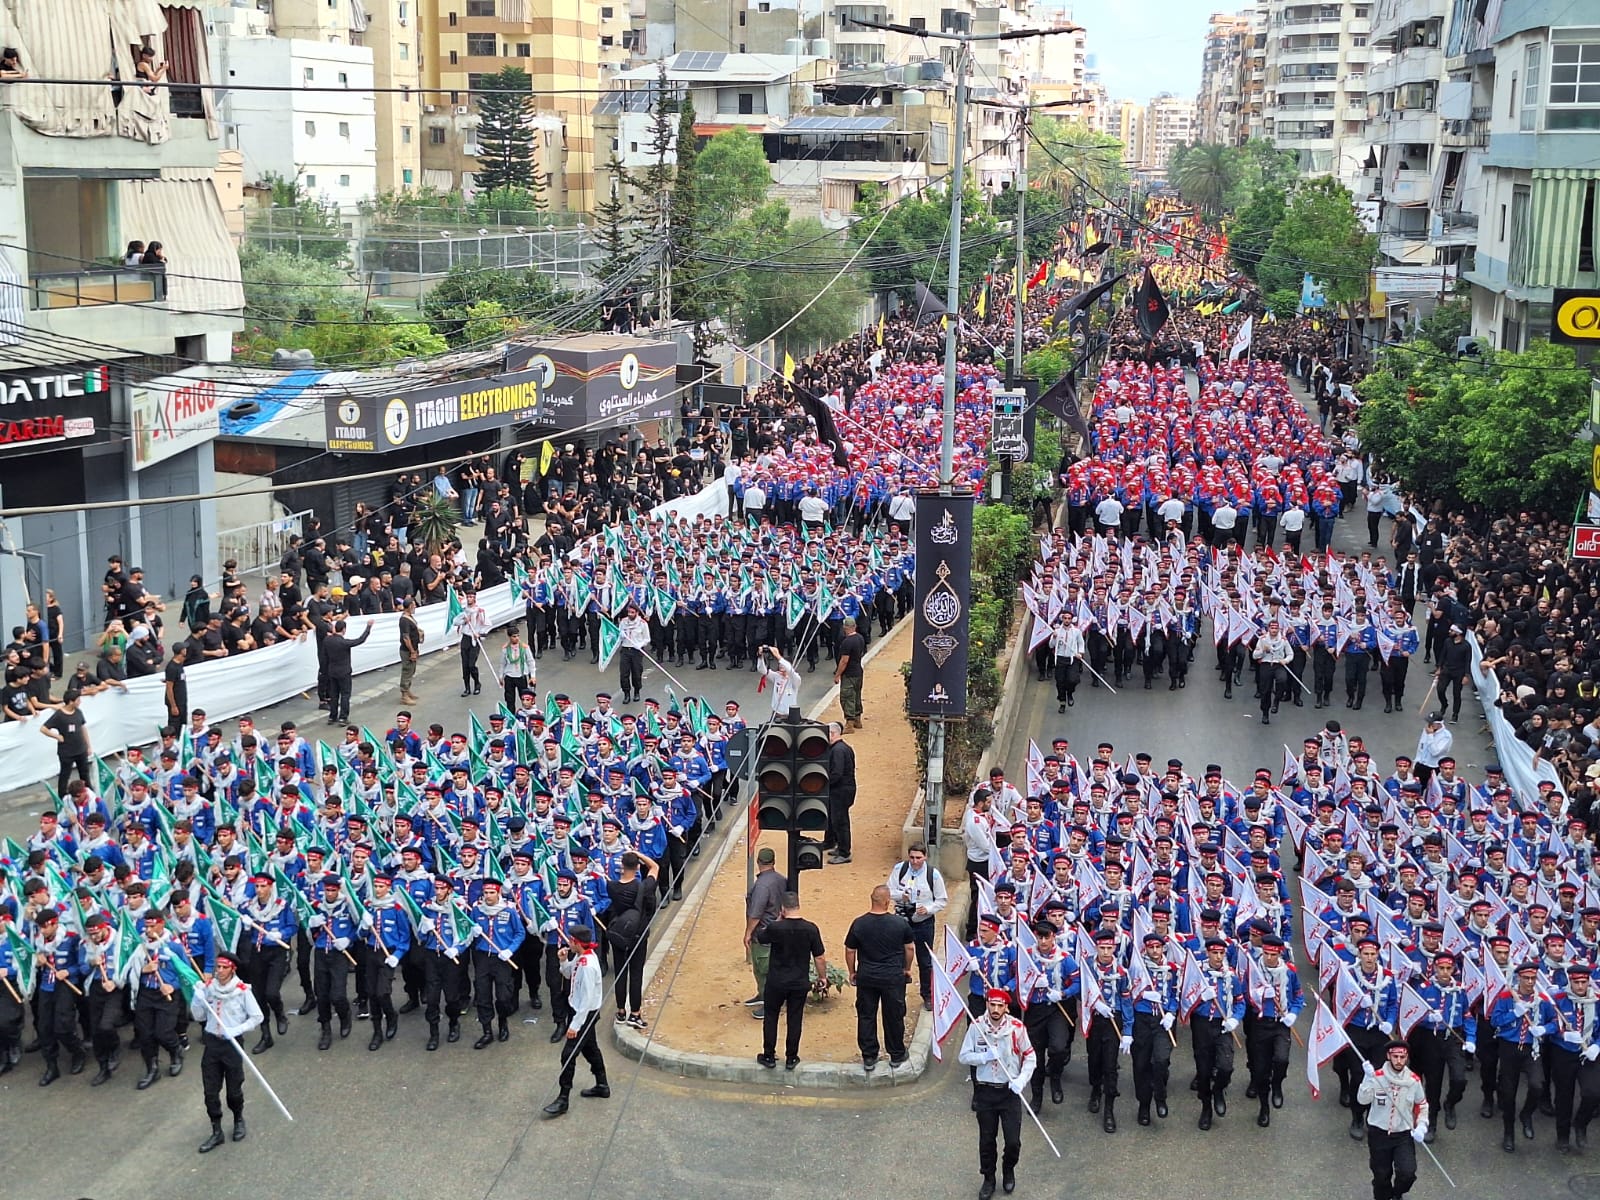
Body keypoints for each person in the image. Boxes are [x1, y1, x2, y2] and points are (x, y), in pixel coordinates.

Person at [959, 987, 1036, 1199]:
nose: (995, 1009)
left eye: (999, 1005)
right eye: (992, 1004)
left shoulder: (1017, 1028)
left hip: (1009, 1093)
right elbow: (963, 1056)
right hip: (985, 1092)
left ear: (1006, 1007)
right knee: (986, 1140)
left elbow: (1030, 1057)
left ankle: (1008, 1169)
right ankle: (988, 1178)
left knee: (1013, 1141)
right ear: (987, 1004)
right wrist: (983, 1057)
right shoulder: (976, 1027)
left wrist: (1021, 1080)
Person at [191, 949, 263, 1153]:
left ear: (232, 970)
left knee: (233, 1090)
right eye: (218, 967)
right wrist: (197, 999)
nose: (219, 971)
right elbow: (198, 1016)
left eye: (224, 968)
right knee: (210, 1092)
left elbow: (257, 1017)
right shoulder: (208, 989)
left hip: (232, 1045)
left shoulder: (242, 991)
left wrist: (236, 1030)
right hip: (212, 1043)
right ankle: (216, 1131)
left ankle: (239, 1119)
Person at [844, 885, 914, 1071]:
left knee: (866, 1015)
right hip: (892, 976)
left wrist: (852, 972)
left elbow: (850, 950)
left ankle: (869, 1055)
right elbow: (909, 948)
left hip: (867, 976)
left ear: (871, 899)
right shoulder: (899, 924)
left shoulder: (859, 923)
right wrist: (906, 969)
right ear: (887, 901)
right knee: (894, 1015)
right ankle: (896, 1053)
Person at [754, 890, 826, 1070]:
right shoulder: (811, 928)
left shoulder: (776, 928)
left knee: (771, 1016)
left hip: (776, 981)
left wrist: (778, 920)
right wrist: (822, 977)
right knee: (795, 1018)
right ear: (798, 906)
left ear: (782, 909)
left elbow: (761, 937)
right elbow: (819, 957)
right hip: (799, 982)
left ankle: (769, 1055)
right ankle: (791, 1057)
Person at [543, 923, 608, 1116]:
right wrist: (563, 961)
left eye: (570, 940)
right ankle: (602, 1085)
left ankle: (563, 1098)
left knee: (568, 1055)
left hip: (584, 1014)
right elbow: (569, 973)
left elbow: (587, 1000)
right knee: (590, 1049)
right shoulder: (581, 957)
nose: (568, 942)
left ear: (576, 942)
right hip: (579, 1010)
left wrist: (575, 1025)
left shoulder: (588, 966)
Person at [1357, 1041, 1429, 1200]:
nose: (1398, 1060)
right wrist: (1367, 1079)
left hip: (1402, 1134)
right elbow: (1362, 1100)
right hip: (1379, 1134)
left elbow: (1422, 1105)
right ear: (1388, 1056)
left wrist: (1422, 1125)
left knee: (1408, 1172)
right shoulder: (1377, 1077)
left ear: (1407, 1058)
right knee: (1381, 1176)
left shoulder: (1413, 1081)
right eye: (1395, 1056)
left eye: (1402, 1057)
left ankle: (1396, 1194)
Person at [886, 841, 947, 1010]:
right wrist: (901, 896)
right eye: (912, 857)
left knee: (925, 961)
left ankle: (927, 994)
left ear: (925, 857)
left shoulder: (933, 875)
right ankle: (898, 995)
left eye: (918, 858)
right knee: (898, 958)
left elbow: (942, 900)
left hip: (923, 922)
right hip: (901, 920)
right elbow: (888, 890)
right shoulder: (900, 869)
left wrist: (927, 909)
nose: (914, 861)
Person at [744, 846, 786, 1017]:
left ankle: (769, 1003)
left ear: (759, 862)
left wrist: (747, 933)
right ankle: (762, 995)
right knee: (765, 967)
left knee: (763, 969)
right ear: (773, 861)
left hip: (763, 932)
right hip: (777, 929)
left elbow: (756, 913)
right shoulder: (781, 879)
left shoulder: (761, 885)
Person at [322, 618, 374, 724]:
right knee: (345, 695)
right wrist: (368, 627)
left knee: (334, 695)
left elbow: (324, 656)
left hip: (332, 671)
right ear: (344, 630)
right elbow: (360, 640)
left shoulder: (327, 640)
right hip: (344, 672)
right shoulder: (343, 643)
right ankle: (343, 717)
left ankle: (332, 716)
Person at [40, 692, 91, 794]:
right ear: (71, 702)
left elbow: (83, 728)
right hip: (67, 752)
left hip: (80, 749)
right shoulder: (59, 715)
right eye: (78, 700)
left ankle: (88, 792)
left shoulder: (78, 712)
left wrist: (88, 745)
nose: (80, 702)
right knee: (65, 775)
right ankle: (62, 796)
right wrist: (57, 736)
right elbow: (44, 728)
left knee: (85, 773)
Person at [824, 721, 856, 864]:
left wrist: (824, 783)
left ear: (832, 733)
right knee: (834, 819)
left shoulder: (838, 750)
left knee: (840, 821)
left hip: (841, 791)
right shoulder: (842, 748)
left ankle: (844, 852)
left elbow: (836, 773)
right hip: (842, 789)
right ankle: (836, 844)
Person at [454, 587, 490, 696]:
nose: (469, 599)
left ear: (475, 598)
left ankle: (477, 683)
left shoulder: (480, 611)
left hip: (475, 639)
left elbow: (488, 625)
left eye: (471, 597)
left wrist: (480, 633)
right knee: (465, 665)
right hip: (465, 638)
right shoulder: (464, 611)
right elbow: (455, 622)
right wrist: (464, 621)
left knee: (471, 665)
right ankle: (467, 688)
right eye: (468, 597)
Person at [834, 617, 866, 729]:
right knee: (857, 696)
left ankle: (849, 723)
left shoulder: (847, 642)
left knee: (847, 697)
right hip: (858, 671)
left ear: (845, 627)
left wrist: (837, 674)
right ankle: (858, 719)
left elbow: (844, 661)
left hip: (849, 674)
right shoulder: (860, 638)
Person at [617, 602, 649, 704]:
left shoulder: (643, 624)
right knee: (624, 674)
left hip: (637, 651)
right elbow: (619, 636)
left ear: (637, 613)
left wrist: (640, 644)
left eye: (632, 612)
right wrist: (621, 635)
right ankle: (626, 693)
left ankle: (636, 691)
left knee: (636, 673)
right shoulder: (623, 622)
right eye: (629, 612)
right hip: (625, 650)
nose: (630, 614)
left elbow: (647, 639)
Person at [758, 645, 801, 718]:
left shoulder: (795, 679)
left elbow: (790, 670)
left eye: (783, 664)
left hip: (790, 714)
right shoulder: (776, 676)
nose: (781, 665)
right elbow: (762, 670)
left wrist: (778, 656)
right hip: (776, 714)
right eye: (779, 663)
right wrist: (760, 656)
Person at [500, 625, 535, 712]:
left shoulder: (524, 647)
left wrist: (533, 676)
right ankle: (511, 718)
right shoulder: (505, 649)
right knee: (510, 700)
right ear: (509, 637)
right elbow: (502, 664)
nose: (517, 638)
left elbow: (530, 662)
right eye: (514, 636)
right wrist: (501, 676)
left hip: (521, 676)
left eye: (518, 636)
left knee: (525, 698)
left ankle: (527, 715)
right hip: (509, 676)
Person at [397, 599, 422, 704]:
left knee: (412, 670)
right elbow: (406, 637)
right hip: (407, 650)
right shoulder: (404, 620)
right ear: (410, 606)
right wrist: (412, 651)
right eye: (413, 605)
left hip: (413, 648)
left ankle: (408, 690)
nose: (415, 607)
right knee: (407, 671)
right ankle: (404, 694)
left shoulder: (410, 617)